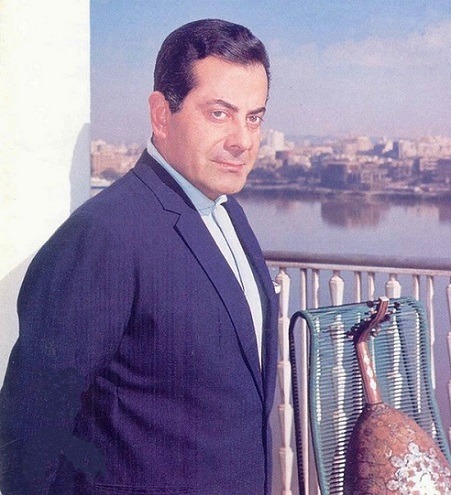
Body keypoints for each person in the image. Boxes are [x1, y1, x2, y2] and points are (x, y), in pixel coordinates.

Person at [0, 18, 278, 494]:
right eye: (219, 113)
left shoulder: (230, 214)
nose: (243, 140)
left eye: (253, 117)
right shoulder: (103, 236)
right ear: (161, 114)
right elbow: (29, 433)